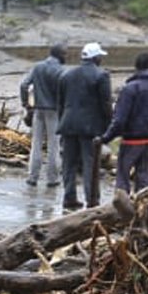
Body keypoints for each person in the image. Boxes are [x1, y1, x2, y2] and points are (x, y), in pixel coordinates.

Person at [99, 52, 148, 193]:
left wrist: (106, 138)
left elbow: (120, 119)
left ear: (136, 67)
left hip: (131, 141)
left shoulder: (130, 88)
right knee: (145, 175)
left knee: (123, 177)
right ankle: (144, 208)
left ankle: (122, 210)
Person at [57, 43, 114, 210]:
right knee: (90, 164)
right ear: (95, 58)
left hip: (68, 124)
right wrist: (108, 127)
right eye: (100, 56)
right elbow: (106, 104)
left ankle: (69, 197)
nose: (101, 59)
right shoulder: (101, 76)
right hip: (90, 127)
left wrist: (62, 122)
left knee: (69, 164)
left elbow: (61, 103)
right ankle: (92, 200)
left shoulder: (66, 75)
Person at [20, 45, 67, 187]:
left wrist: (26, 104)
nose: (66, 57)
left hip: (38, 109)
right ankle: (52, 179)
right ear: (59, 55)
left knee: (36, 144)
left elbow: (24, 85)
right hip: (54, 111)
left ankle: (32, 177)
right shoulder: (60, 71)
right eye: (65, 54)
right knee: (54, 146)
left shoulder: (38, 67)